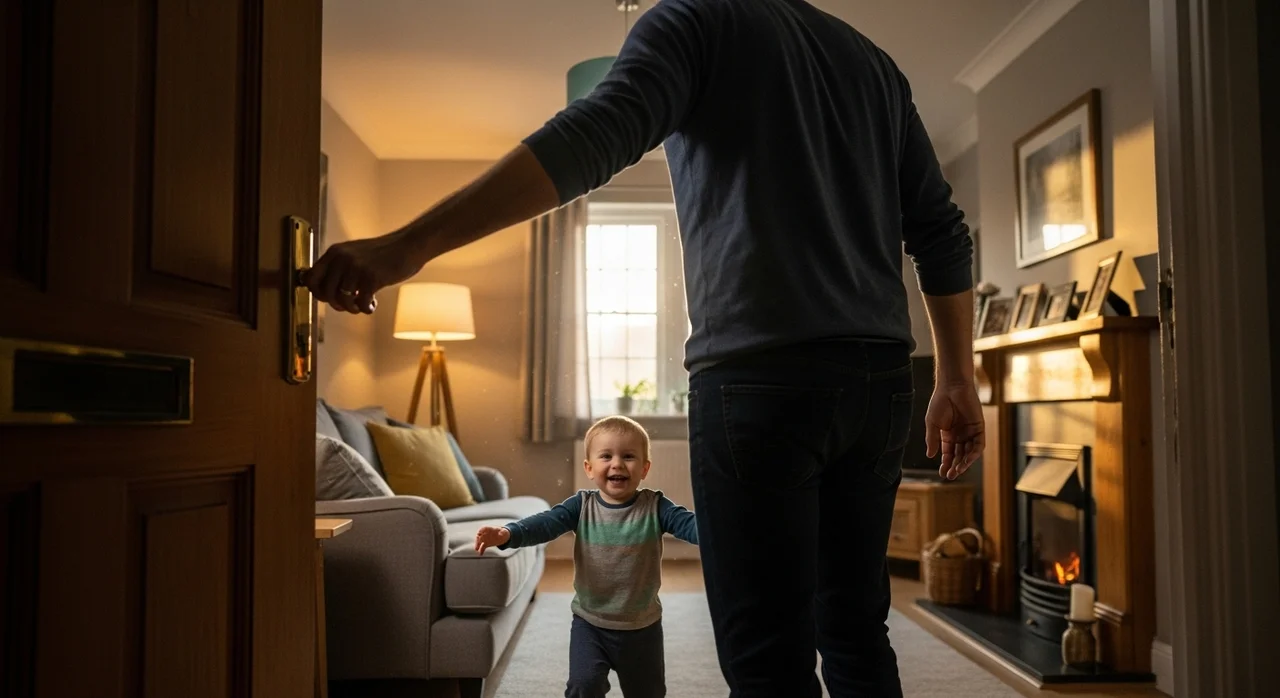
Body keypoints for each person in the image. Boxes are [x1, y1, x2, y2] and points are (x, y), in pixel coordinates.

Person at [303, 0, 984, 694]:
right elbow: (941, 230)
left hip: (762, 377)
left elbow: (593, 134)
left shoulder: (698, 20)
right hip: (879, 383)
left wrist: (409, 244)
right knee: (857, 631)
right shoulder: (873, 65)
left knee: (767, 655)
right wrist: (957, 378)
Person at [474, 415, 698, 698]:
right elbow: (545, 523)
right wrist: (508, 533)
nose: (617, 464)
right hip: (590, 624)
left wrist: (724, 531)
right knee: (583, 685)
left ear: (645, 468)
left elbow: (691, 526)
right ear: (589, 468)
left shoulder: (656, 507)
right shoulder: (581, 506)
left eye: (628, 456)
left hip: (642, 628)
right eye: (606, 456)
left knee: (647, 692)